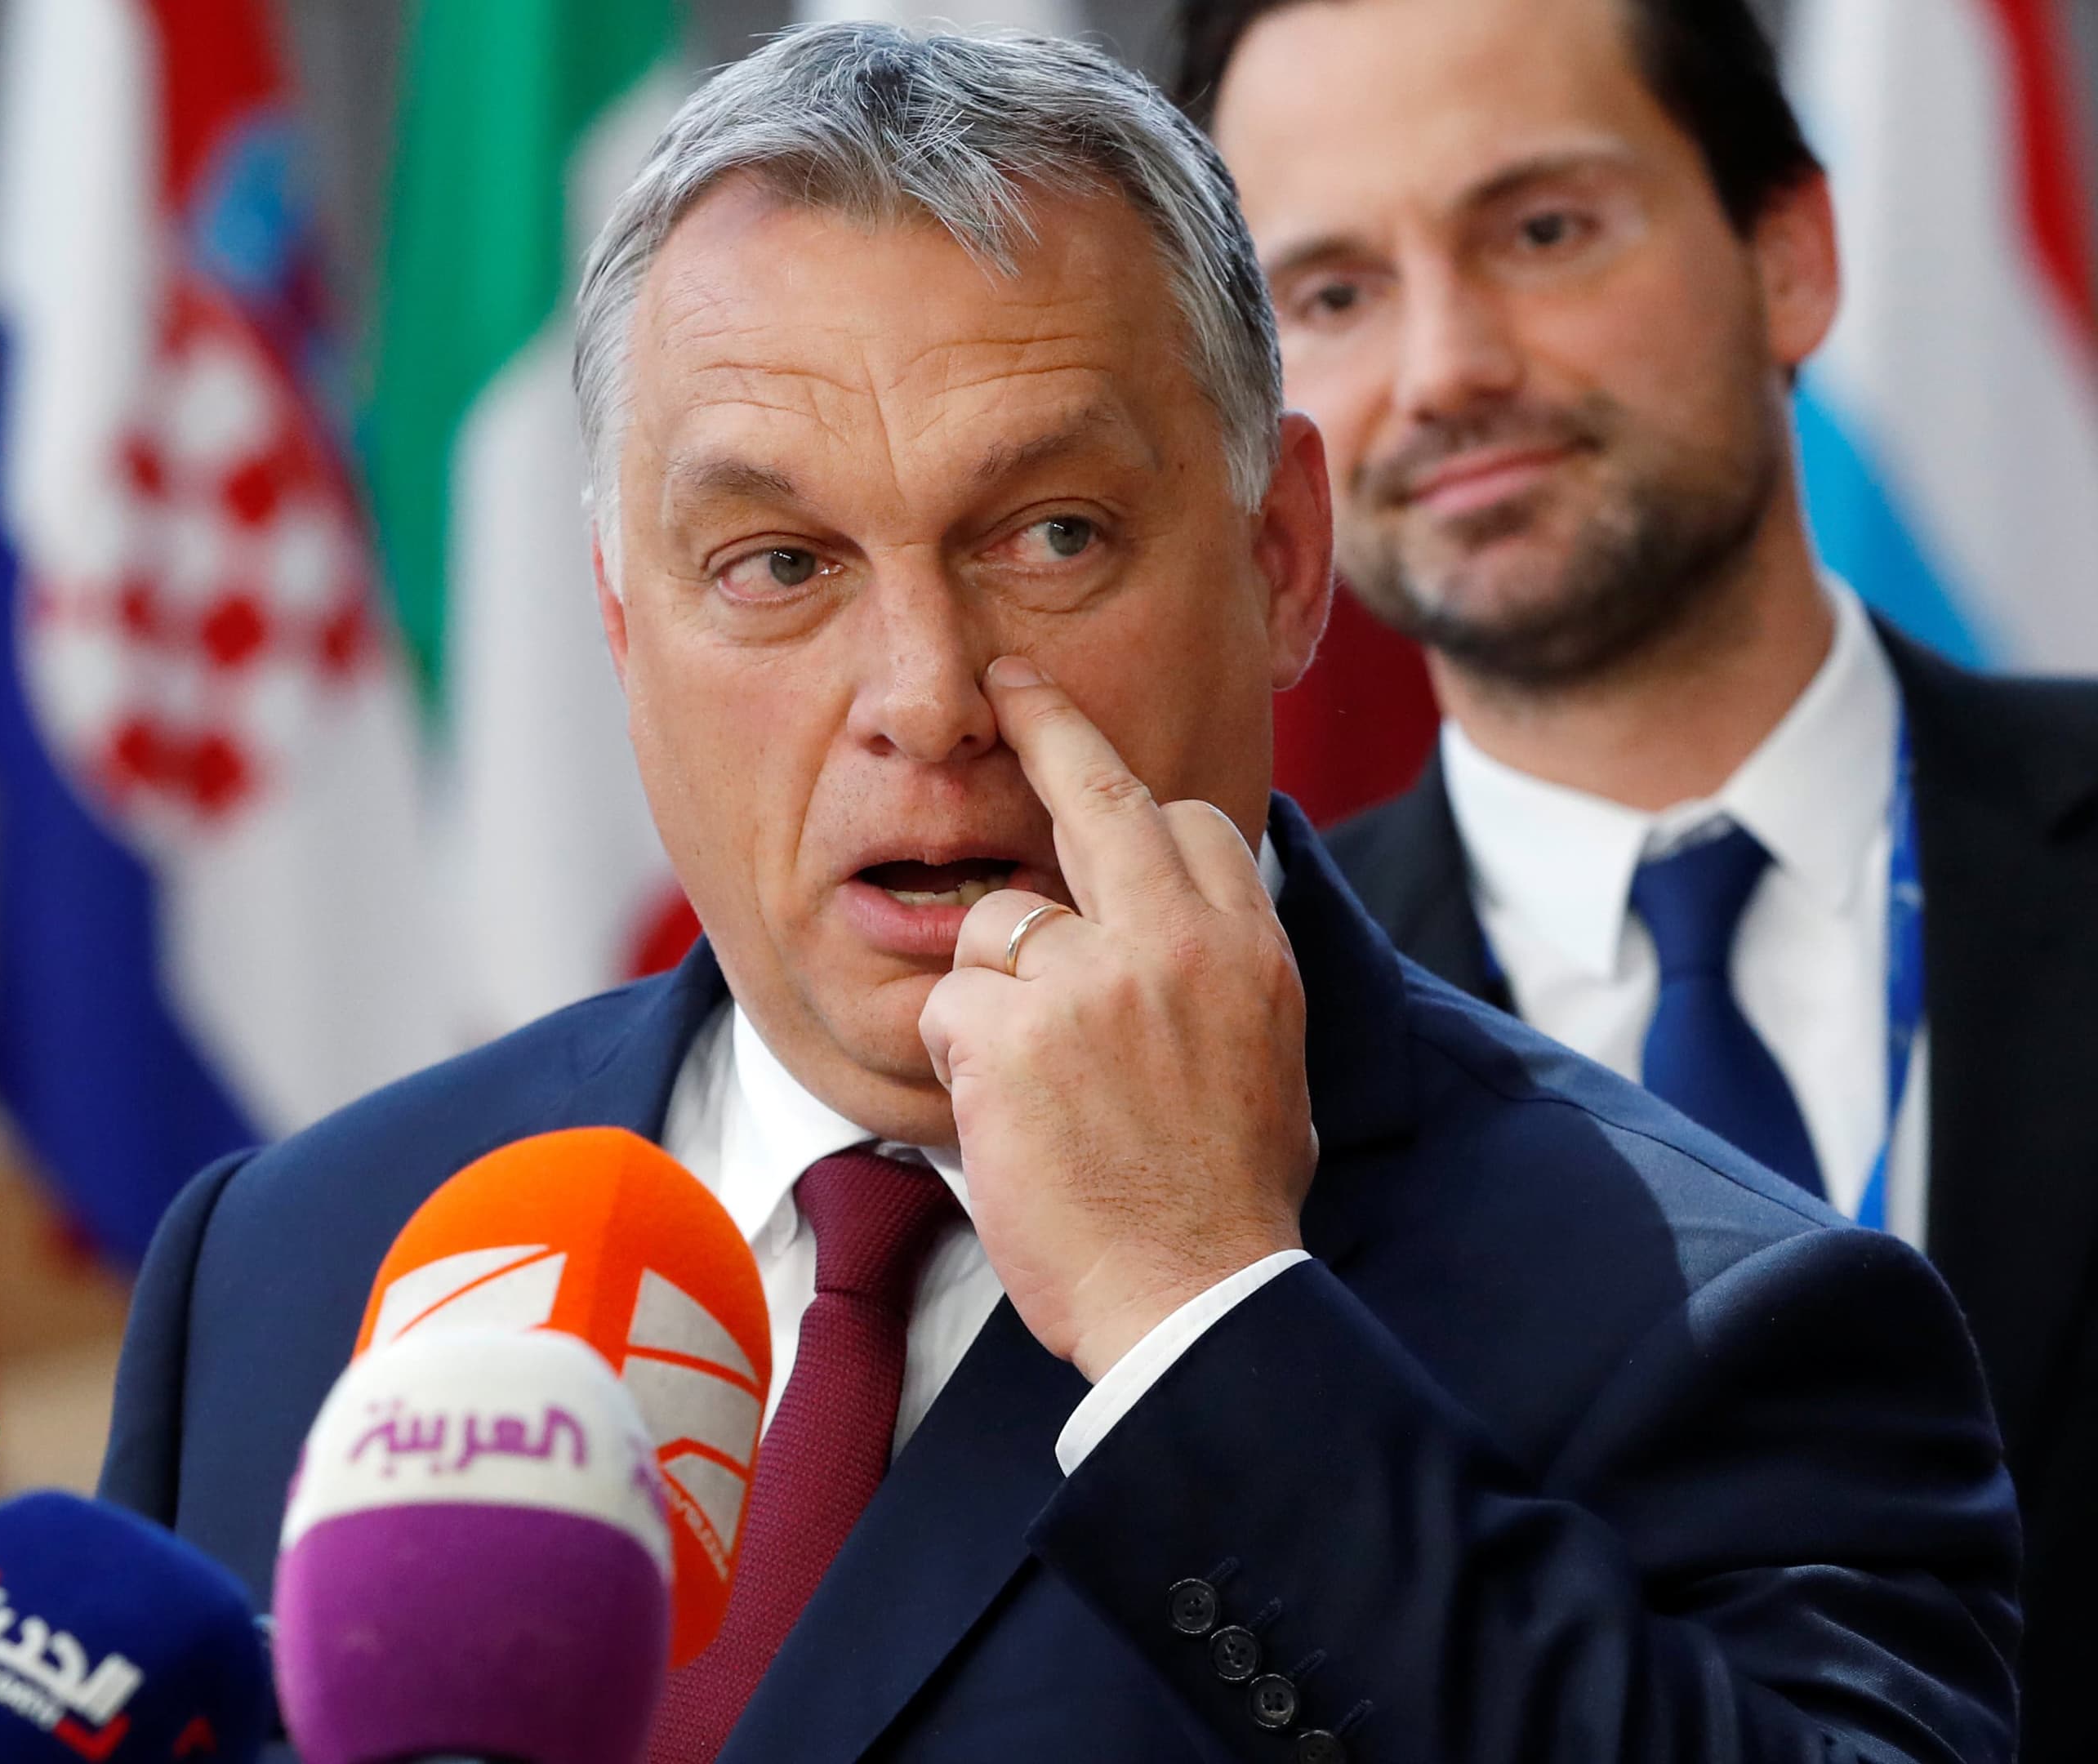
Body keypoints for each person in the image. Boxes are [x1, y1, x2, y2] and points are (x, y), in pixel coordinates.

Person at [100, 24, 2018, 1762]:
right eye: (777, 564)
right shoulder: (287, 1254)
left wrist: (1199, 1314)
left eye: (1052, 536)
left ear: (1281, 556)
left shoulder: (1722, 1310)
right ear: (621, 621)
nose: (922, 697)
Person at [1177, 2, 2098, 1745]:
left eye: (1541, 229)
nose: (1446, 368)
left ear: (1793, 258)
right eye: (1334, 294)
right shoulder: (1209, 1040)